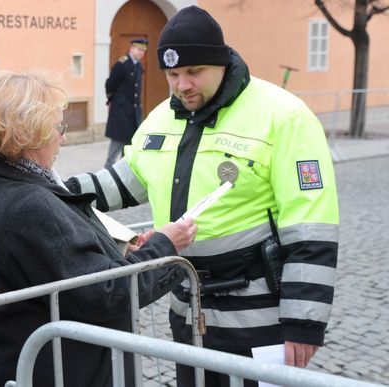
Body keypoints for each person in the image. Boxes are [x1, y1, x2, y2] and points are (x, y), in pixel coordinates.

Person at [67, 6, 339, 387]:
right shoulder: (162, 116)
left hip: (256, 315)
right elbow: (124, 179)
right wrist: (50, 191)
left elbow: (312, 225)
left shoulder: (285, 116)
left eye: (194, 72)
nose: (182, 85)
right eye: (173, 74)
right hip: (188, 307)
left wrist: (304, 322)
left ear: (222, 62)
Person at [0, 71, 197, 387]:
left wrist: (126, 250)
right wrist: (164, 248)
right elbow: (104, 294)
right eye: (58, 126)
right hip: (60, 371)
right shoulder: (29, 202)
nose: (62, 137)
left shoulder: (0, 185)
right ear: (30, 132)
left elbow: (63, 264)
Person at [104, 38, 148, 168]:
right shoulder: (122, 64)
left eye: (143, 51)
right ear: (132, 48)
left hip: (133, 113)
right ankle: (107, 169)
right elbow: (110, 84)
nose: (141, 53)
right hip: (121, 112)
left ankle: (122, 173)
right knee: (117, 143)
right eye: (139, 49)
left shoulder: (139, 66)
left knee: (128, 146)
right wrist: (114, 100)